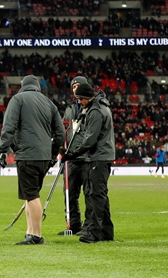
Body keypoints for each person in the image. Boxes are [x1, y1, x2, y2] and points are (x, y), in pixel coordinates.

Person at [0, 75, 63, 245]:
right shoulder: (49, 103)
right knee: (30, 195)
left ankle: (36, 235)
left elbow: (9, 126)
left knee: (32, 196)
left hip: (27, 155)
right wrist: (52, 154)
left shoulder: (18, 99)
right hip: (43, 156)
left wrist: (3, 150)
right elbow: (60, 133)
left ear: (22, 86)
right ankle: (30, 232)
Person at [63, 83, 115, 244]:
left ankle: (94, 232)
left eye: (80, 99)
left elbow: (89, 139)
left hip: (98, 157)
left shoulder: (95, 111)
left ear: (87, 97)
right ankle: (106, 231)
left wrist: (72, 153)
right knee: (100, 194)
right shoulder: (101, 106)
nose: (79, 102)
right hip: (103, 155)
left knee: (95, 194)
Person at [57, 76, 91, 236]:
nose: (75, 88)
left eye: (78, 85)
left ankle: (89, 226)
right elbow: (64, 130)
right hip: (70, 159)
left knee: (89, 194)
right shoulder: (70, 108)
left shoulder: (92, 107)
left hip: (87, 157)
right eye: (73, 86)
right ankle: (73, 225)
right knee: (69, 194)